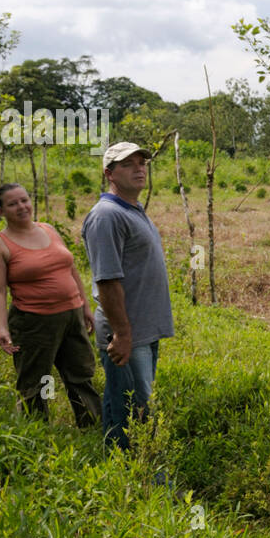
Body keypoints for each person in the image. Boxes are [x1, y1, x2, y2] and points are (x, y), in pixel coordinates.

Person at [0, 183, 102, 427]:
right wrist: (2, 329)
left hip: (72, 316)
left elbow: (70, 268)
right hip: (33, 322)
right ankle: (35, 432)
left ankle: (91, 426)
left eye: (24, 200)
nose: (21, 207)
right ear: (1, 211)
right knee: (34, 381)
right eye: (12, 204)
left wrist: (85, 306)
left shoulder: (48, 229)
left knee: (81, 374)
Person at [81, 143, 174, 451]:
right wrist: (122, 333)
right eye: (128, 164)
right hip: (127, 333)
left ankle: (119, 467)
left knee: (121, 401)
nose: (139, 168)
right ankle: (145, 476)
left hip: (140, 330)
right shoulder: (106, 216)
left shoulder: (131, 209)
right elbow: (106, 279)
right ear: (109, 174)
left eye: (142, 163)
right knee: (138, 409)